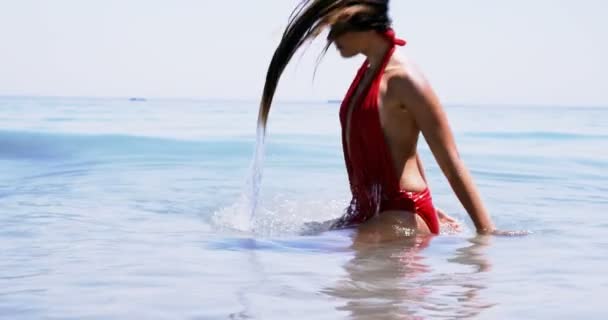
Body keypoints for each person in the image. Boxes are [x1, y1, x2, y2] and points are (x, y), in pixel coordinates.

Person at [258, 0, 497, 236]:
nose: (331, 40)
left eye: (336, 30)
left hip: (402, 213)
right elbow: (402, 143)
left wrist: (486, 233)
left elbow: (451, 162)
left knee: (334, 247)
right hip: (370, 211)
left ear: (364, 24)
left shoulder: (405, 80)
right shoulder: (368, 73)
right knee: (305, 235)